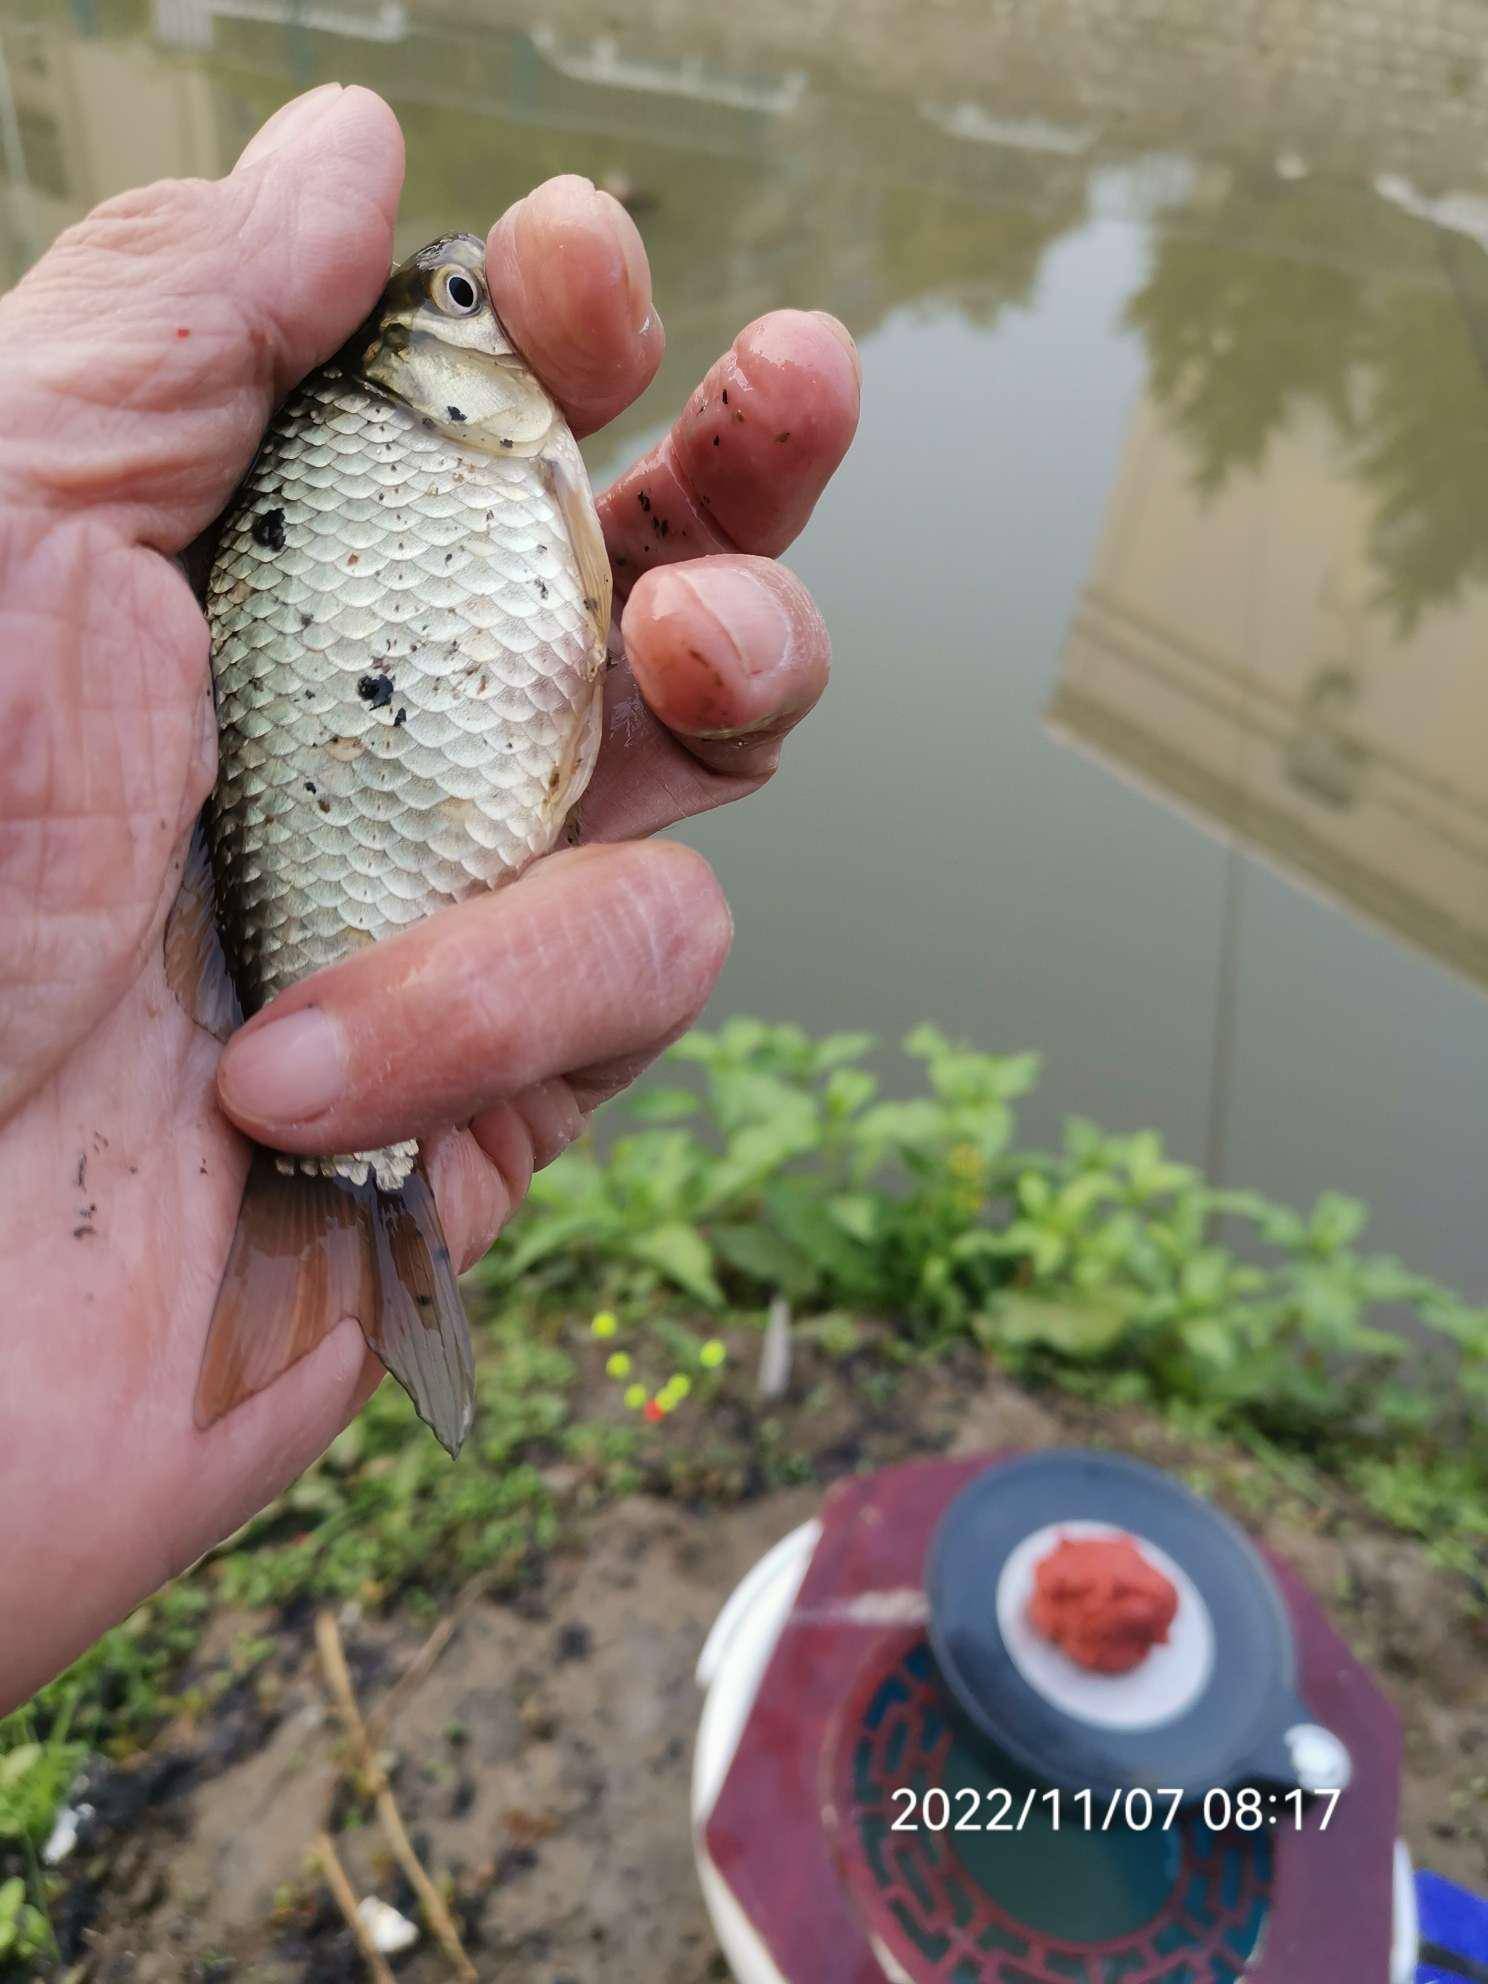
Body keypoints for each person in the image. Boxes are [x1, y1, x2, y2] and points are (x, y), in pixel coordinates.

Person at [0, 85, 857, 1715]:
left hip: (367, 838)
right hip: (312, 868)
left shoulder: (459, 439)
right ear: (420, 349)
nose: (492, 307)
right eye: (462, 299)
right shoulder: (382, 433)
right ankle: (338, 1215)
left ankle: (327, 1220)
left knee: (686, 711)